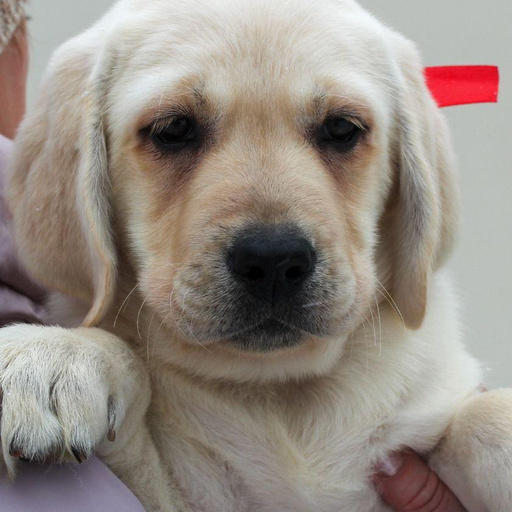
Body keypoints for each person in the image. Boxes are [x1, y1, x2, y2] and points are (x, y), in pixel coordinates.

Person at [0, 1, 469, 510]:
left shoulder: (424, 373)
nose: (273, 247)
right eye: (174, 132)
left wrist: (481, 433)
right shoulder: (84, 376)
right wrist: (98, 358)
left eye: (340, 131)